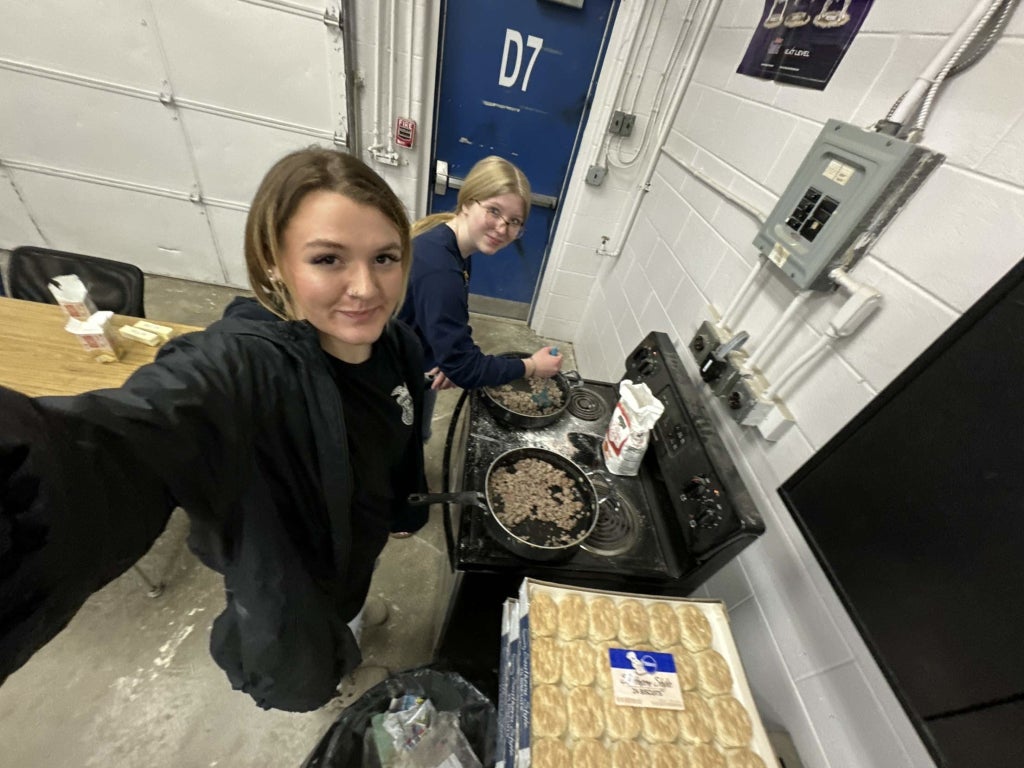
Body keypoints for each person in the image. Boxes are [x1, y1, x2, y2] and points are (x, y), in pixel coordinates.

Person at [0, 148, 428, 712]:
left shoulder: (398, 347)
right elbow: (119, 440)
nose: (366, 288)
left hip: (360, 542)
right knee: (308, 664)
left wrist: (405, 511)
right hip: (294, 574)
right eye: (328, 259)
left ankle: (352, 611)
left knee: (354, 589)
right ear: (274, 261)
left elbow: (397, 442)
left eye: (384, 258)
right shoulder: (240, 367)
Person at [397, 155, 563, 442]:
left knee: (417, 435)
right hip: (394, 378)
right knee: (405, 444)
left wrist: (445, 356)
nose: (503, 228)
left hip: (419, 362)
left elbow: (445, 319)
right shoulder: (440, 268)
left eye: (514, 222)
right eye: (494, 211)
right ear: (466, 202)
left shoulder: (457, 248)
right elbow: (466, 368)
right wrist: (533, 366)